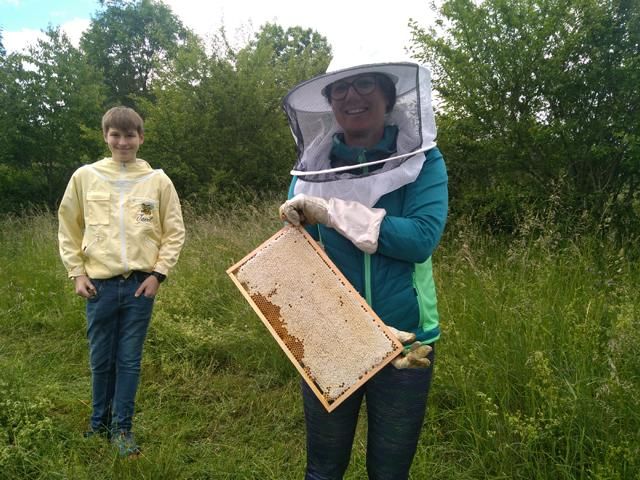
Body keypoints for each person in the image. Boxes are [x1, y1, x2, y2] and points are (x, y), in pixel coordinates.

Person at [279, 62, 448, 479]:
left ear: (388, 96)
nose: (352, 96)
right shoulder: (311, 171)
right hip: (331, 339)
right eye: (339, 89)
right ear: (330, 104)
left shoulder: (423, 161)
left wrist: (335, 214)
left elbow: (420, 238)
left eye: (365, 84)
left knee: (389, 473)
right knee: (323, 469)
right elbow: (300, 264)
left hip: (407, 341)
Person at [58, 106, 185, 457]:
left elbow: (174, 231)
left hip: (140, 286)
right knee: (101, 359)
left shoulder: (157, 181)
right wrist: (77, 272)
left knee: (129, 360)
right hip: (98, 285)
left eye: (130, 135)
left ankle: (122, 429)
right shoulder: (86, 177)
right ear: (106, 136)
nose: (123, 142)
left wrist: (158, 274)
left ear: (141, 138)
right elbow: (68, 227)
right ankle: (98, 423)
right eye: (116, 134)